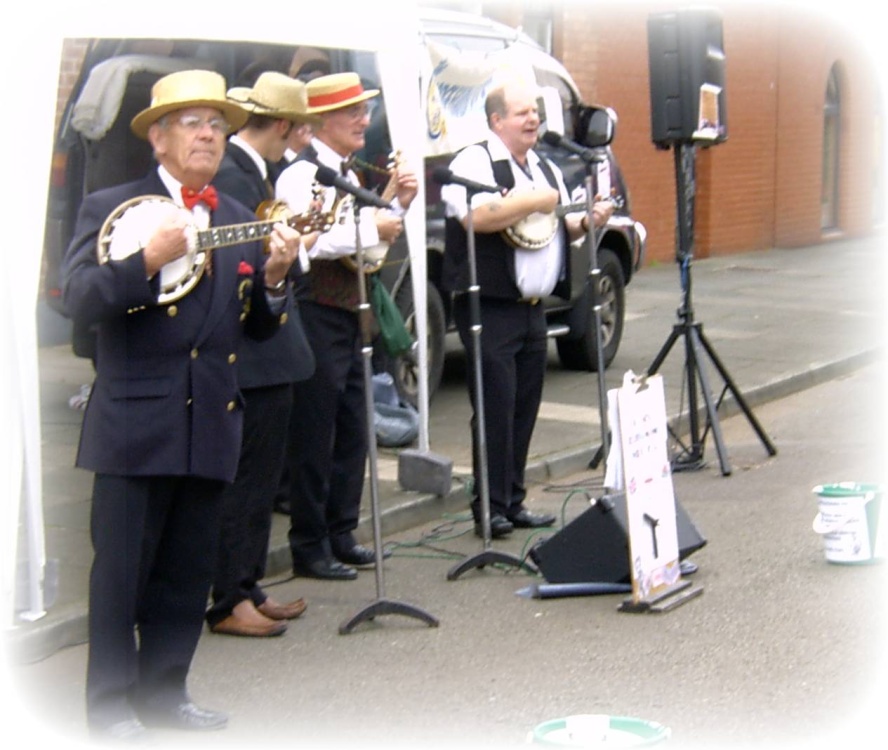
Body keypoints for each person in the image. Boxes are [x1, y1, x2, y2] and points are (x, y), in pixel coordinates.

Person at [60, 69, 303, 741]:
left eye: (217, 124)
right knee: (121, 580)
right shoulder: (112, 206)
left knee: (185, 573)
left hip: (211, 418)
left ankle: (166, 695)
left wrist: (276, 283)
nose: (208, 134)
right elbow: (78, 301)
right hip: (134, 422)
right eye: (193, 122)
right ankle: (109, 707)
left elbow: (252, 327)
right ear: (159, 138)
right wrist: (145, 261)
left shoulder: (232, 217)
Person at [440, 78, 614, 539]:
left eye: (535, 111)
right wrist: (538, 199)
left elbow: (559, 224)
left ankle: (512, 500)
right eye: (522, 112)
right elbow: (477, 218)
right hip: (489, 304)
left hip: (533, 307)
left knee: (523, 406)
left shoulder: (544, 167)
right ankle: (488, 506)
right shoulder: (473, 162)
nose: (533, 118)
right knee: (494, 405)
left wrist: (587, 220)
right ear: (496, 120)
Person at [275, 72, 417, 580]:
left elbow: (369, 247)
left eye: (364, 110)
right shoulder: (299, 176)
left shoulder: (348, 173)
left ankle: (341, 531)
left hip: (351, 313)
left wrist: (397, 201)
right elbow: (307, 242)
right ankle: (309, 544)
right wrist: (371, 224)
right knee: (316, 432)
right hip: (315, 309)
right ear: (319, 123)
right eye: (352, 112)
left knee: (354, 427)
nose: (364, 120)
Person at [203, 71, 318, 638]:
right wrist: (290, 252)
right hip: (250, 352)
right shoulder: (234, 174)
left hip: (268, 348)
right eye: (300, 128)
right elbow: (242, 261)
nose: (301, 138)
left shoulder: (255, 172)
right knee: (246, 480)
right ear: (284, 125)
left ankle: (246, 585)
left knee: (261, 477)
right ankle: (228, 598)